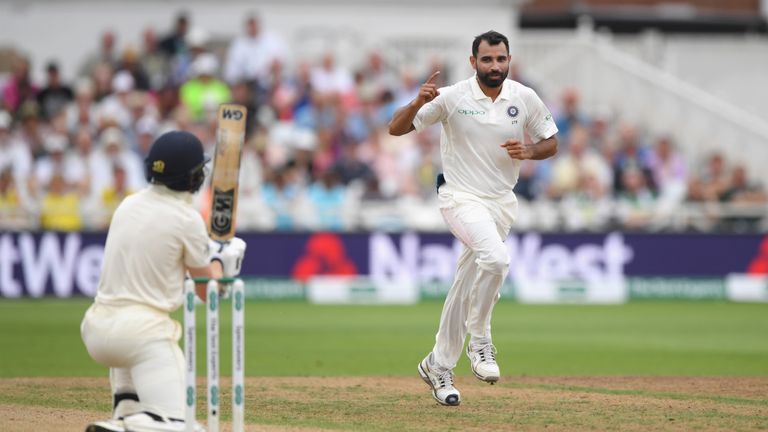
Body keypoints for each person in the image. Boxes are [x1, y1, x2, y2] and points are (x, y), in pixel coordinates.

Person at [389, 30, 558, 406]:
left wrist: (528, 152)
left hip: (501, 202)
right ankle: (480, 340)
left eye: (501, 59)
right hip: (460, 197)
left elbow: (551, 140)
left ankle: (438, 365)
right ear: (473, 62)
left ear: (509, 60)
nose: (494, 66)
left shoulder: (524, 96)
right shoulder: (452, 97)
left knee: (465, 284)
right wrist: (418, 100)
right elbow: (395, 128)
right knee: (496, 259)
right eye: (487, 60)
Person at [80, 130, 247, 432]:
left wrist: (211, 257)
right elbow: (207, 290)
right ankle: (124, 428)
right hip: (143, 337)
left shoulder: (127, 205)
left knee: (139, 407)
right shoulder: (186, 219)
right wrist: (225, 264)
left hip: (96, 329)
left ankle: (125, 411)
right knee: (184, 427)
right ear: (194, 177)